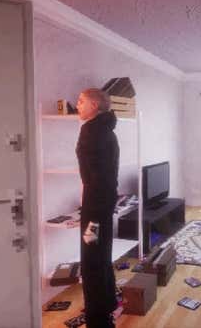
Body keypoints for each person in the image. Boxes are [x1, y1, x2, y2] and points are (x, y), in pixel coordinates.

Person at [75, 88, 119, 328]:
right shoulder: (107, 129)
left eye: (82, 101)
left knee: (91, 258)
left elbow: (90, 176)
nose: (77, 105)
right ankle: (106, 305)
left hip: (94, 210)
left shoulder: (91, 129)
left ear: (94, 105)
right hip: (103, 204)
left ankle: (97, 317)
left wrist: (89, 204)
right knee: (101, 255)